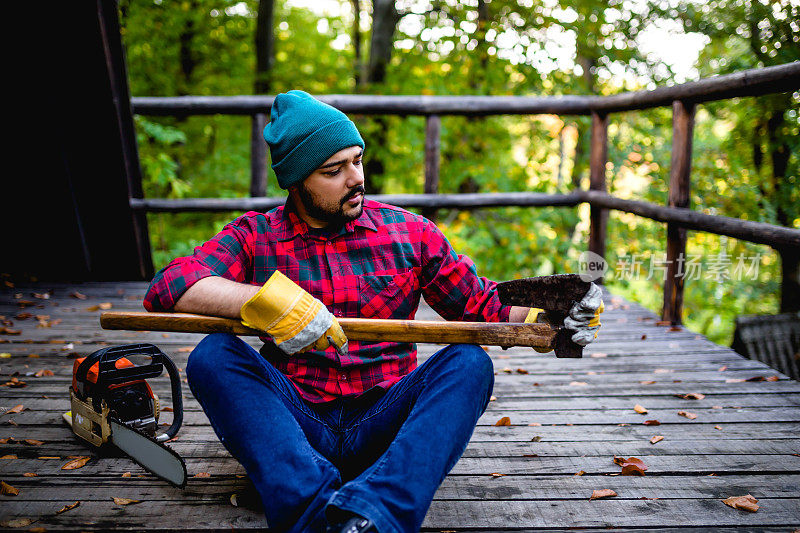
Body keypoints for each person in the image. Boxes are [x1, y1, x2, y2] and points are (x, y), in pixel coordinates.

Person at [143, 90, 603, 533]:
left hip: (384, 422)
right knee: (213, 355)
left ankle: (375, 516)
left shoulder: (409, 233)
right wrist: (261, 301)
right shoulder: (255, 236)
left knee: (469, 363)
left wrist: (553, 321)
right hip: (297, 428)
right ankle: (315, 509)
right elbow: (170, 285)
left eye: (357, 160)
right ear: (298, 180)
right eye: (333, 169)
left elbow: (483, 305)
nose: (356, 178)